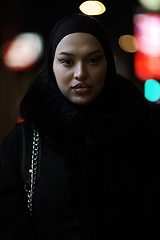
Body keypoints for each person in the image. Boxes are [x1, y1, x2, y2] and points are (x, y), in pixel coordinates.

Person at [0, 13, 159, 239]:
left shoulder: (144, 140)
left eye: (93, 60)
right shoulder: (21, 144)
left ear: (108, 64)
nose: (81, 73)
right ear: (51, 65)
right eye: (67, 61)